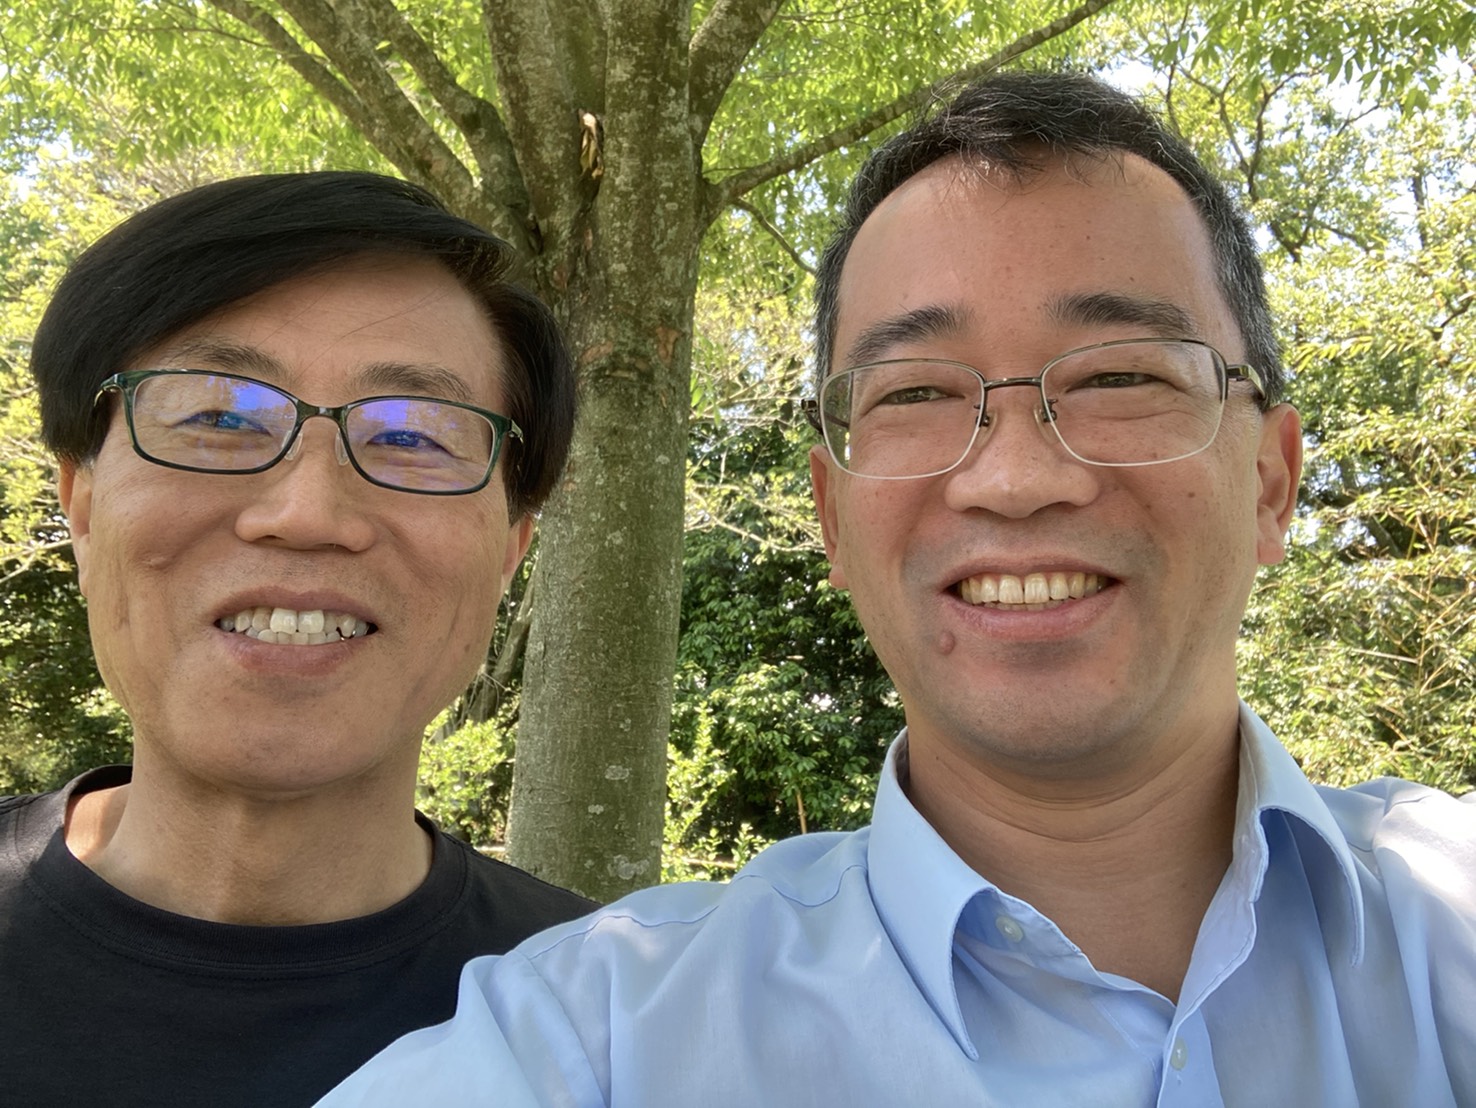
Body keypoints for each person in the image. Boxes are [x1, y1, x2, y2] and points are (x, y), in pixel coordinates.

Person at [320, 72, 1476, 1107]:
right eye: (916, 392)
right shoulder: (595, 1041)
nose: (1016, 478)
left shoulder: (1450, 915)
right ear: (832, 516)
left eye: (1121, 375)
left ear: (1272, 480)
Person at [0, 171, 596, 1107]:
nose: (307, 512)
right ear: (80, 507)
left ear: (510, 549)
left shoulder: (610, 1031)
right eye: (218, 417)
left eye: (412, 437)